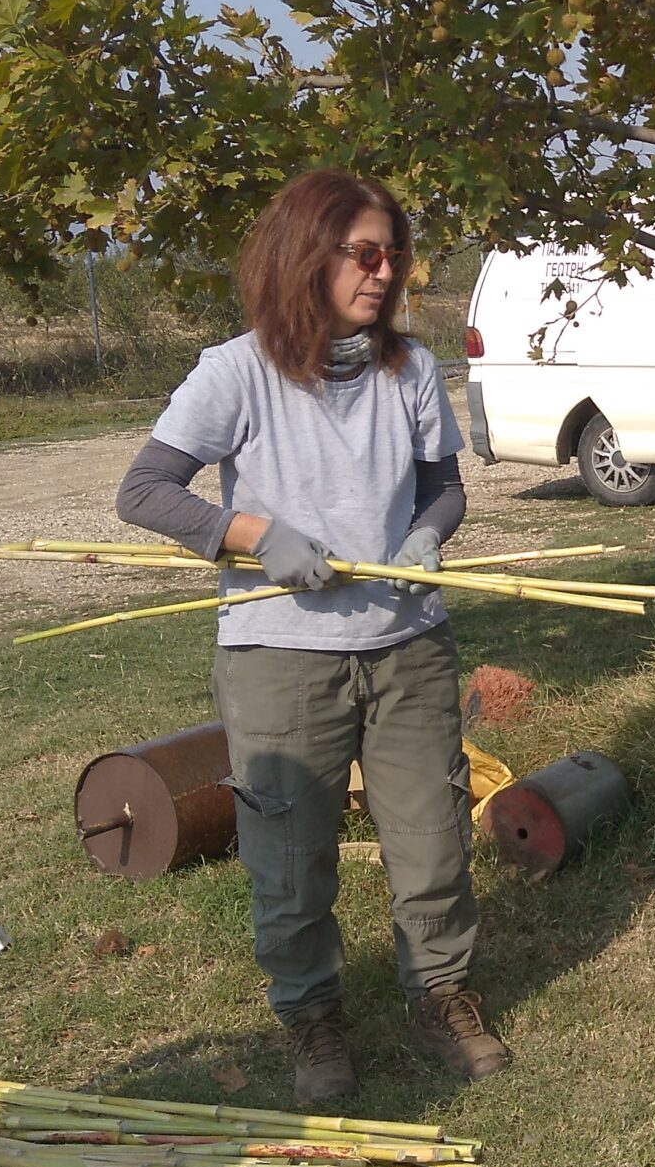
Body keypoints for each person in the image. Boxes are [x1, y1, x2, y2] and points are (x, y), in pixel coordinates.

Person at [113, 168, 509, 1105]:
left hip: (408, 642)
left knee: (433, 835)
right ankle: (312, 1015)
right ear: (306, 256)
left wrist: (426, 534)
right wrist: (251, 537)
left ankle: (442, 991)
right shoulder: (235, 372)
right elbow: (144, 491)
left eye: (394, 257)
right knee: (289, 854)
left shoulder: (408, 370)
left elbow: (441, 486)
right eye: (363, 255)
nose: (384, 275)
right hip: (279, 652)